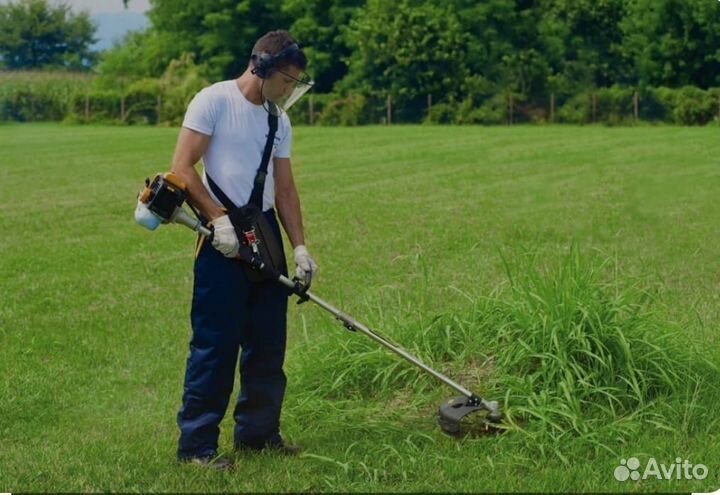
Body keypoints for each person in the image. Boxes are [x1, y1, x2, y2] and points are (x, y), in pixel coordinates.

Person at [170, 30, 318, 470]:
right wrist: (216, 219)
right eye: (288, 81)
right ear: (263, 68)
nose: (291, 89)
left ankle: (259, 434)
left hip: (264, 231)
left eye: (296, 83)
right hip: (220, 234)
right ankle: (196, 448)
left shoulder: (279, 121)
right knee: (216, 344)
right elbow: (182, 167)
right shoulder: (213, 101)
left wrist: (300, 247)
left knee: (268, 342)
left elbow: (286, 188)